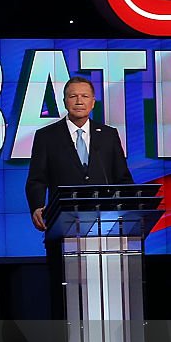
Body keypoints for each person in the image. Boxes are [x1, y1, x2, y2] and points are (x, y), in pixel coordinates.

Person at [25, 76, 133, 231]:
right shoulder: (47, 136)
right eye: (73, 96)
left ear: (93, 102)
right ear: (64, 102)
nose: (79, 101)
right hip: (63, 220)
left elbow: (122, 178)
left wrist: (128, 207)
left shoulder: (108, 135)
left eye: (85, 96)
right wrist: (37, 207)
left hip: (105, 222)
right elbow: (36, 180)